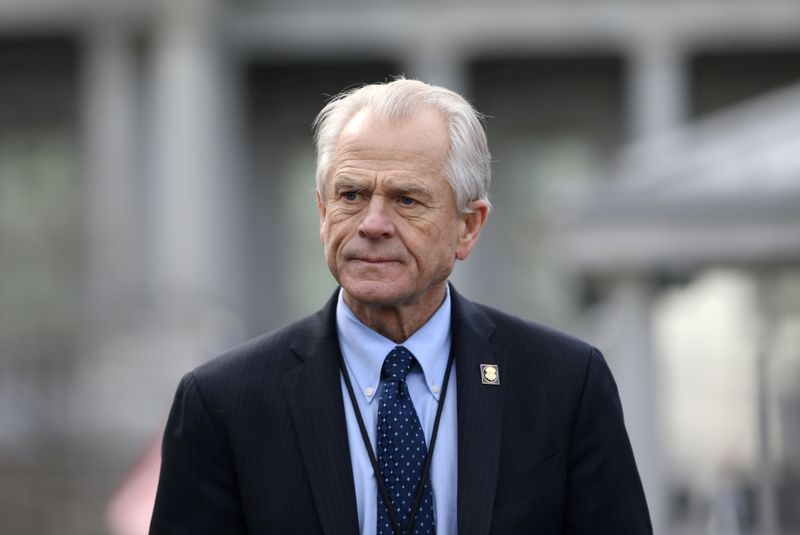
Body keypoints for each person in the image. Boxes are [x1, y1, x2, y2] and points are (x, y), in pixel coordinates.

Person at [150, 78, 652, 534]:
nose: (372, 223)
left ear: (468, 227)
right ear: (323, 213)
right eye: (351, 194)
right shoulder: (222, 403)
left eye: (406, 200)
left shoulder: (565, 384)